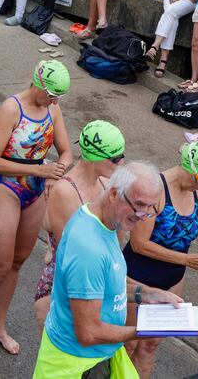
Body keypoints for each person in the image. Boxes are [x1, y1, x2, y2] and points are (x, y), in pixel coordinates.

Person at [0, 60, 74, 373]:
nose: (54, 101)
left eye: (59, 97)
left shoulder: (54, 109)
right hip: (5, 185)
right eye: (51, 94)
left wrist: (56, 172)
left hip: (35, 187)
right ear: (38, 81)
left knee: (18, 262)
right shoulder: (12, 109)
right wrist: (37, 169)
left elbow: (66, 151)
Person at [33, 162, 183, 378]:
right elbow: (88, 333)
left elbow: (107, 284)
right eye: (139, 205)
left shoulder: (104, 220)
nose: (143, 215)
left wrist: (147, 293)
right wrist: (143, 330)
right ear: (114, 194)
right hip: (79, 364)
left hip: (96, 356)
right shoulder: (89, 250)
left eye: (150, 208)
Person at [123, 141, 198, 379]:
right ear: (188, 167)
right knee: (126, 345)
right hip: (136, 279)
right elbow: (139, 243)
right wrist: (188, 260)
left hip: (172, 283)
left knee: (150, 345)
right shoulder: (156, 188)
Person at [33, 120, 126, 332]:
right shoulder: (65, 191)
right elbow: (75, 251)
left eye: (122, 156)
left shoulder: (105, 183)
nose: (121, 164)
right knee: (63, 358)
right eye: (115, 158)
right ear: (94, 157)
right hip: (68, 285)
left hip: (97, 279)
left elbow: (115, 241)